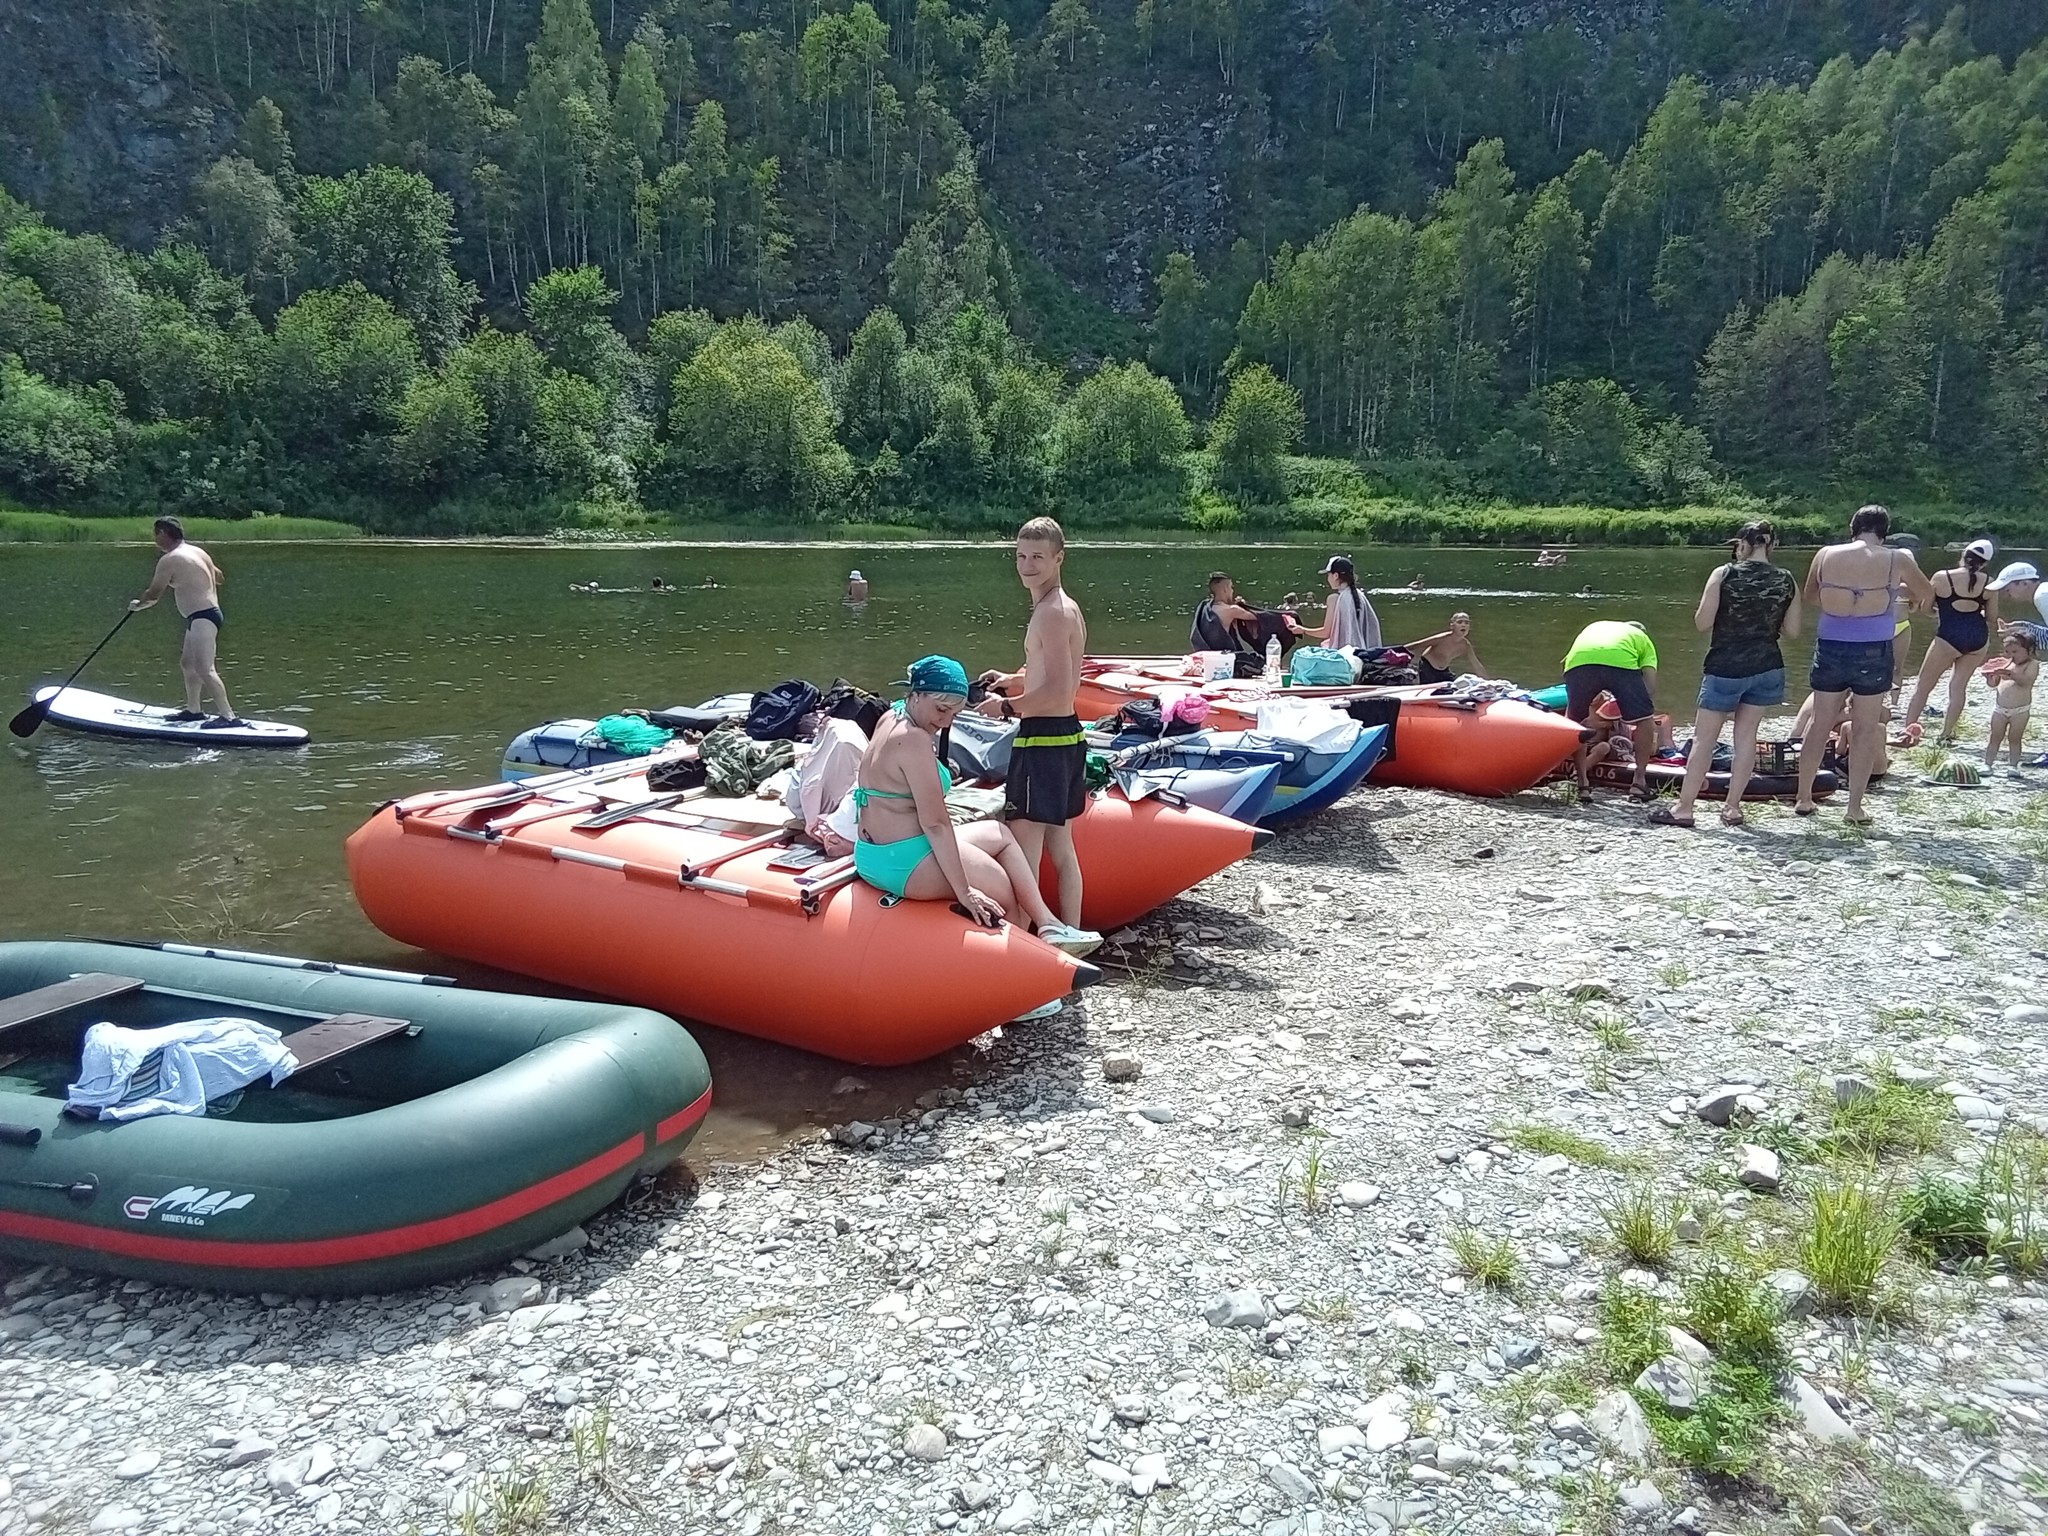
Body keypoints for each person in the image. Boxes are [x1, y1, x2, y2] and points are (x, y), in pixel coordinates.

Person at [852, 654, 1098, 955]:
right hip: (904, 861)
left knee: (1000, 834)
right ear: (916, 694)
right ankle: (1021, 978)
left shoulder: (891, 716)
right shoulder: (913, 741)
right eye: (941, 709)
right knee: (1006, 891)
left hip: (875, 852)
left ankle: (1047, 924)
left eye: (954, 714)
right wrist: (965, 892)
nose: (944, 721)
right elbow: (936, 825)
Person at [974, 518, 1092, 930]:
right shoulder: (1062, 607)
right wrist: (1012, 681)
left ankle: (1032, 950)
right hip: (1067, 737)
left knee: (1025, 857)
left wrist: (1006, 708)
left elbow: (1059, 691)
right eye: (1021, 556)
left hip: (1042, 741)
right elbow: (1055, 675)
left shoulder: (1052, 613)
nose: (1027, 565)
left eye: (1038, 557)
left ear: (1059, 558)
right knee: (1062, 849)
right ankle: (1072, 936)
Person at [1650, 521, 1799, 829]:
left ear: (1742, 545)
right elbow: (1793, 631)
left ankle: (1685, 808)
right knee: (1746, 738)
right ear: (1771, 546)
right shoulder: (1787, 580)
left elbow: (1702, 623)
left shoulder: (1724, 574)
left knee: (1704, 740)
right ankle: (1732, 808)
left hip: (1725, 667)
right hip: (1767, 666)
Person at [1794, 505, 1935, 822]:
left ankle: (1803, 798)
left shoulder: (1826, 553)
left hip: (1830, 644)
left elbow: (1811, 596)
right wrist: (1897, 593)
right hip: (1873, 649)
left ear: (1852, 527)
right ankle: (1854, 808)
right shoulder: (1897, 558)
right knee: (1865, 728)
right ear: (1885, 531)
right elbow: (1927, 593)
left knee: (1819, 723)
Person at [128, 516, 242, 728]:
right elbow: (219, 577)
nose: (155, 540)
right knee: (188, 664)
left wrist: (138, 605)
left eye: (156, 535)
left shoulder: (170, 559)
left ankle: (229, 718)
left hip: (203, 616)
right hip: (199, 617)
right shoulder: (198, 552)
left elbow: (153, 594)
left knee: (204, 668)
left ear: (163, 533)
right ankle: (193, 711)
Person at [1899, 539, 1995, 744]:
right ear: (1985, 563)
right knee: (1958, 686)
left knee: (1923, 686)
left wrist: (1941, 612)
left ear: (1963, 554)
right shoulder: (1990, 582)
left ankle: (1908, 731)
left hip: (1948, 636)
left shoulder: (1941, 577)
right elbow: (1992, 617)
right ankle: (1946, 734)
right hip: (1978, 638)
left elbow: (1926, 609)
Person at [1562, 619, 1659, 798]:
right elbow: (1650, 686)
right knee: (1645, 718)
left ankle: (1582, 784)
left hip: (1578, 660)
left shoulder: (1597, 626)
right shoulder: (1643, 639)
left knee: (1575, 721)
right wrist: (1639, 707)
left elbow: (1569, 666)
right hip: (1620, 661)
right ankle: (1639, 782)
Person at [1287, 555, 1381, 651]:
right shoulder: (1360, 595)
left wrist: (1302, 630)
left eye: (1328, 575)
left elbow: (1326, 632)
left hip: (1347, 655)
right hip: (1364, 652)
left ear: (1335, 576)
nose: (1328, 579)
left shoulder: (1335, 598)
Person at [1983, 631, 2039, 774]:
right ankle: (1987, 764)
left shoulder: (2032, 665)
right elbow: (1994, 685)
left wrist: (2010, 674)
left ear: (2030, 651)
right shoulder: (2006, 664)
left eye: (2015, 651)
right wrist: (1991, 677)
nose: (2010, 655)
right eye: (2007, 651)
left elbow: (2026, 682)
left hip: (2020, 710)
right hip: (2000, 709)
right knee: (1995, 737)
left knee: (2014, 738)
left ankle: (2013, 766)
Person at [1406, 613, 1488, 683]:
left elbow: (1476, 664)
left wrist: (1487, 682)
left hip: (1444, 671)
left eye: (1466, 623)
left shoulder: (1465, 645)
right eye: (1460, 622)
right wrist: (1395, 652)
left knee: (1454, 688)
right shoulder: (1442, 638)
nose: (1464, 625)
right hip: (1426, 668)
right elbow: (1416, 645)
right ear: (1452, 626)